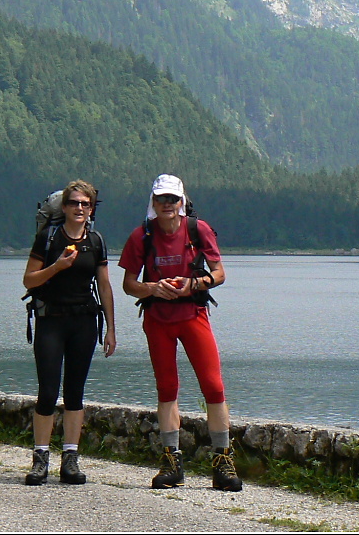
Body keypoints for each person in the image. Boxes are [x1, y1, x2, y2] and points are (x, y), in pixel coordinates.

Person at [118, 173, 241, 492]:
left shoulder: (198, 230)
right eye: (161, 199)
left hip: (193, 315)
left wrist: (194, 284)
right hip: (158, 318)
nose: (167, 205)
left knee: (213, 387)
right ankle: (172, 463)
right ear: (153, 203)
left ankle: (223, 462)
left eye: (173, 199)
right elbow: (129, 284)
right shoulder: (140, 237)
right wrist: (153, 288)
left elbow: (219, 273)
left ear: (182, 201)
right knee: (167, 388)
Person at [21, 180, 116, 486]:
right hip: (51, 319)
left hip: (84, 322)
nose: (79, 208)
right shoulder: (48, 238)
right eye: (74, 203)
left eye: (85, 204)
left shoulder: (96, 241)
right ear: (64, 207)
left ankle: (70, 461)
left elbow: (104, 285)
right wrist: (57, 267)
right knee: (48, 393)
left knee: (75, 393)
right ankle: (40, 461)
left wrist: (111, 328)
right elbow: (29, 281)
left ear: (91, 209)